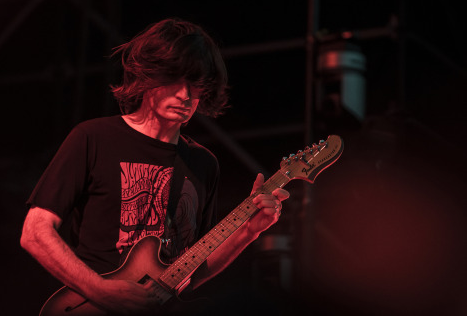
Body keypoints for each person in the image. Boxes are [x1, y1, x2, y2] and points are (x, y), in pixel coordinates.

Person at [20, 18, 290, 315]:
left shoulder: (203, 164)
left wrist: (247, 232)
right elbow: (35, 232)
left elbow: (191, 270)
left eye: (197, 85)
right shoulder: (93, 138)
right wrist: (101, 291)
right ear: (148, 75)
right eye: (176, 79)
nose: (186, 95)